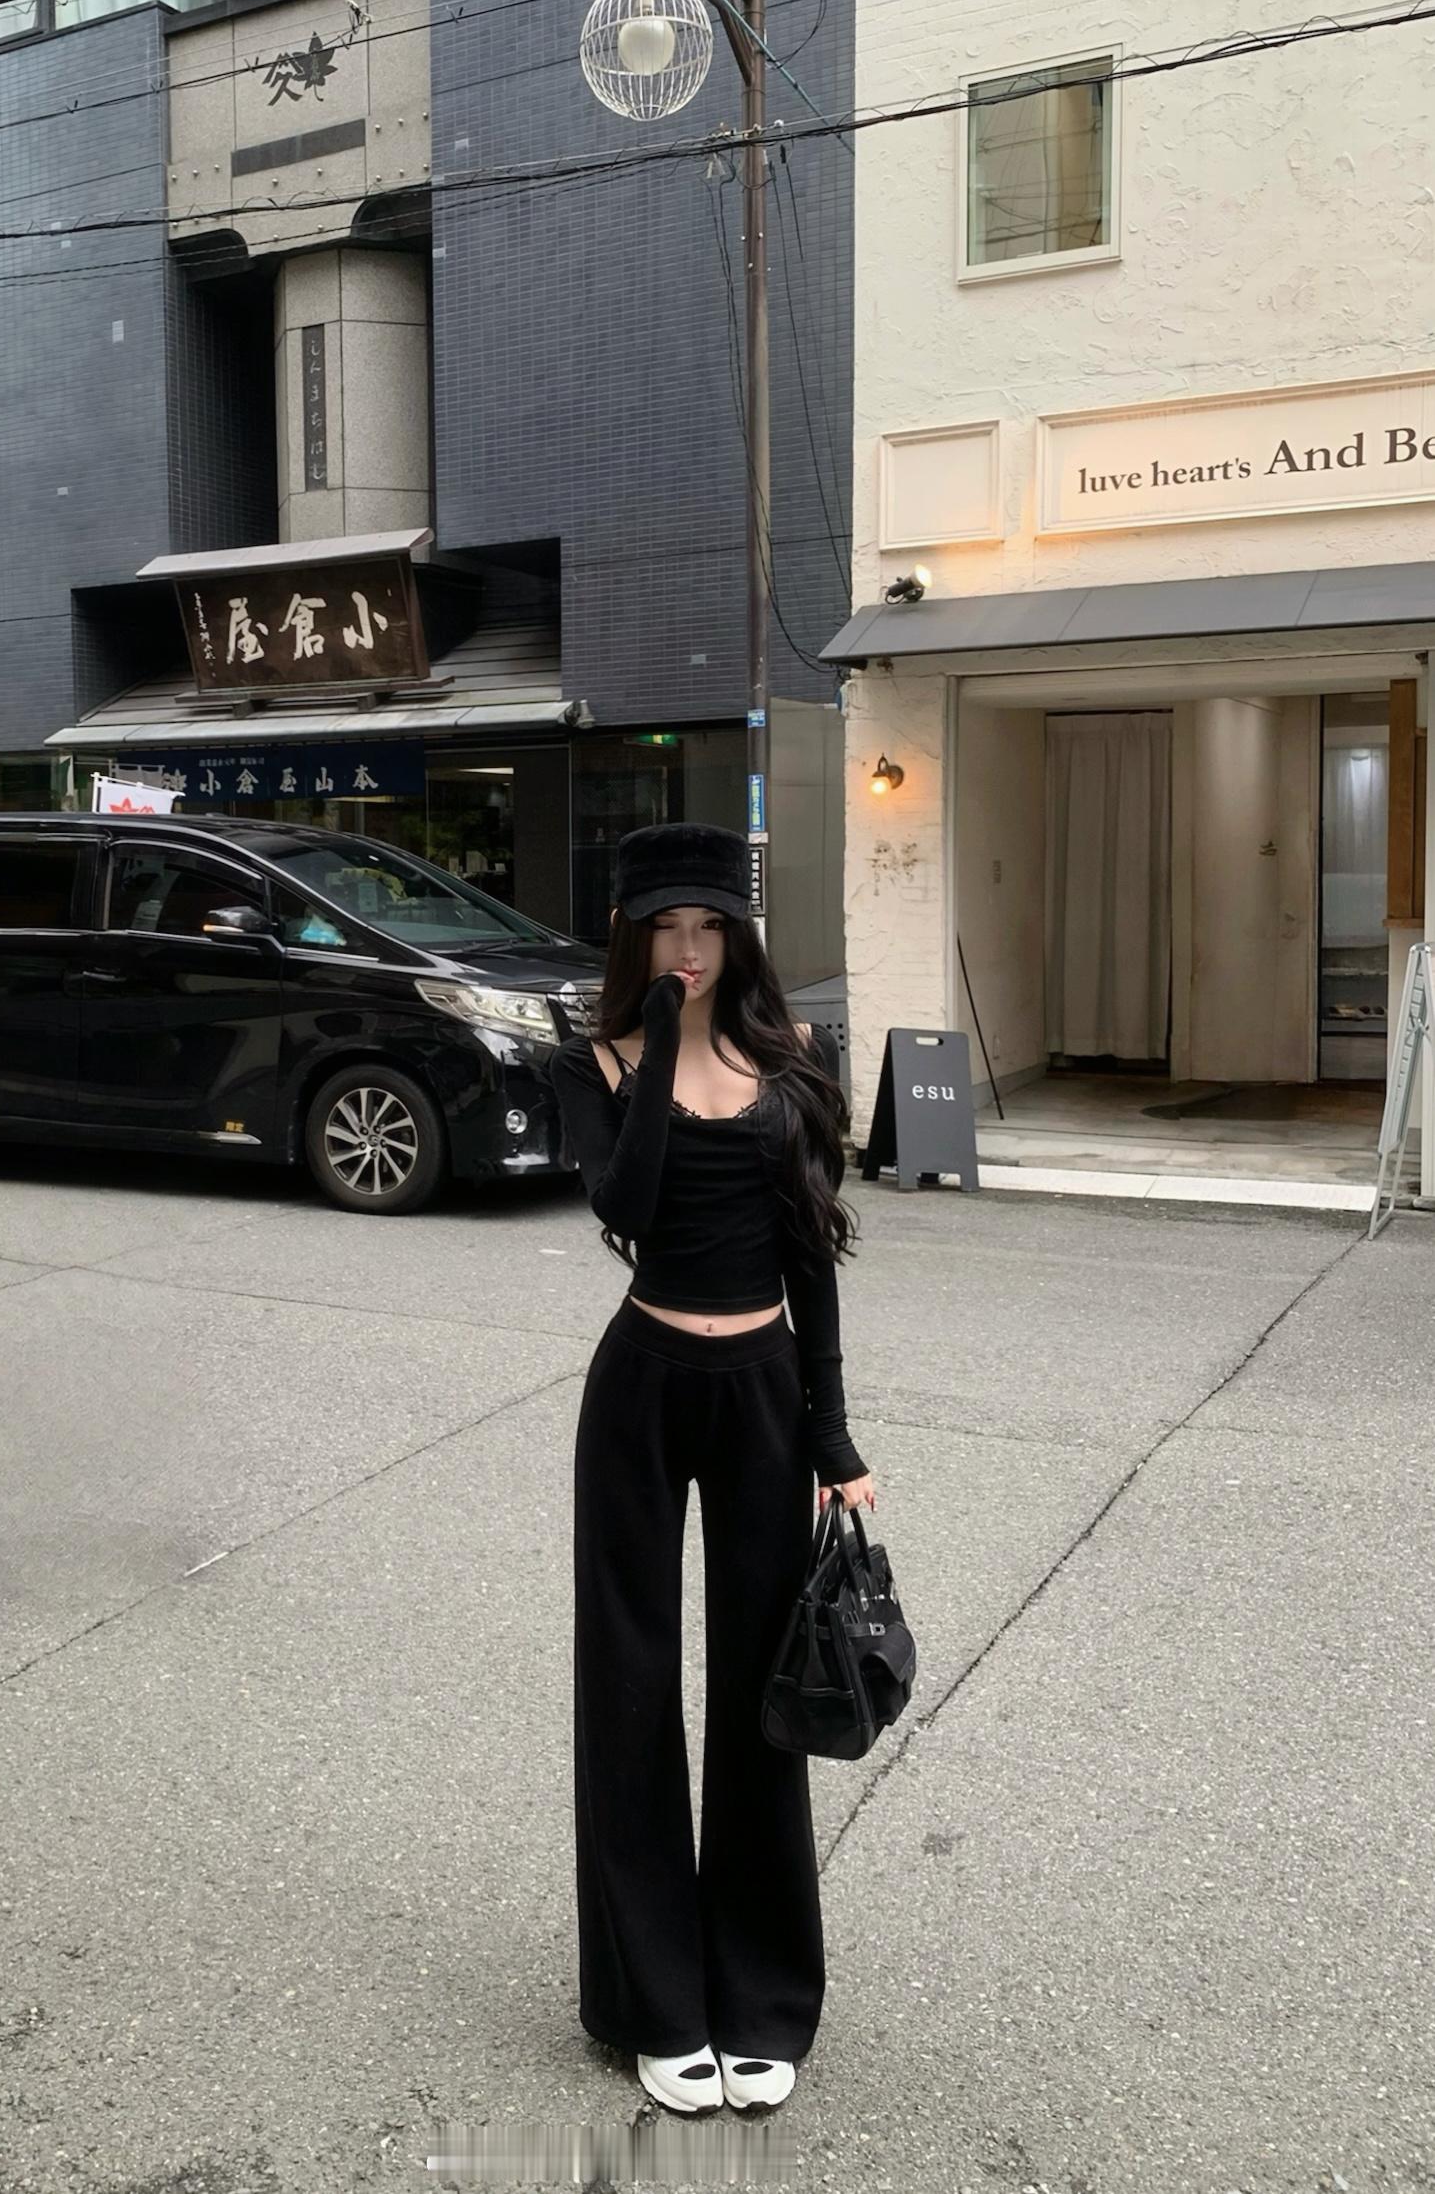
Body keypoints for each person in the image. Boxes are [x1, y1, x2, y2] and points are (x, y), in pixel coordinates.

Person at [549, 819, 874, 2121]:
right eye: (664, 929)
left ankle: (760, 1994)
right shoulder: (596, 1060)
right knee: (629, 1689)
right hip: (639, 1388)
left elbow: (812, 1257)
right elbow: (625, 1208)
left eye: (709, 927)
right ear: (631, 938)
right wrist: (658, 1043)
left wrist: (833, 1436)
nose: (688, 949)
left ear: (738, 934)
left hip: (762, 1395)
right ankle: (655, 2001)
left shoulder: (796, 1059)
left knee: (759, 1692)